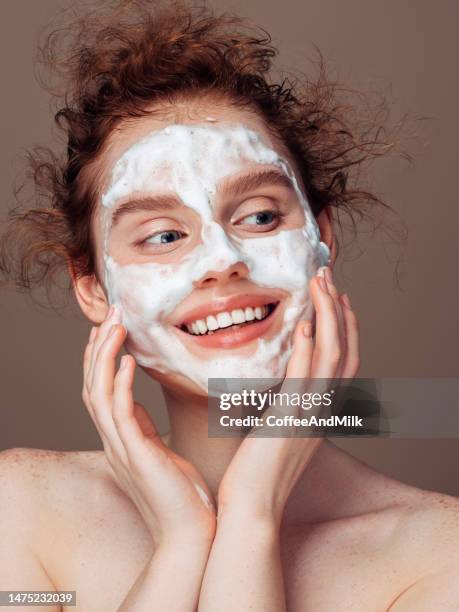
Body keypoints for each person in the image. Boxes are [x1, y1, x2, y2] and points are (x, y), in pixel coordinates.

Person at [1, 2, 458, 610]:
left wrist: (252, 515)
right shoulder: (19, 509)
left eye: (260, 216)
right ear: (92, 287)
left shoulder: (440, 556)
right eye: (164, 235)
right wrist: (183, 541)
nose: (221, 259)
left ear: (321, 237)